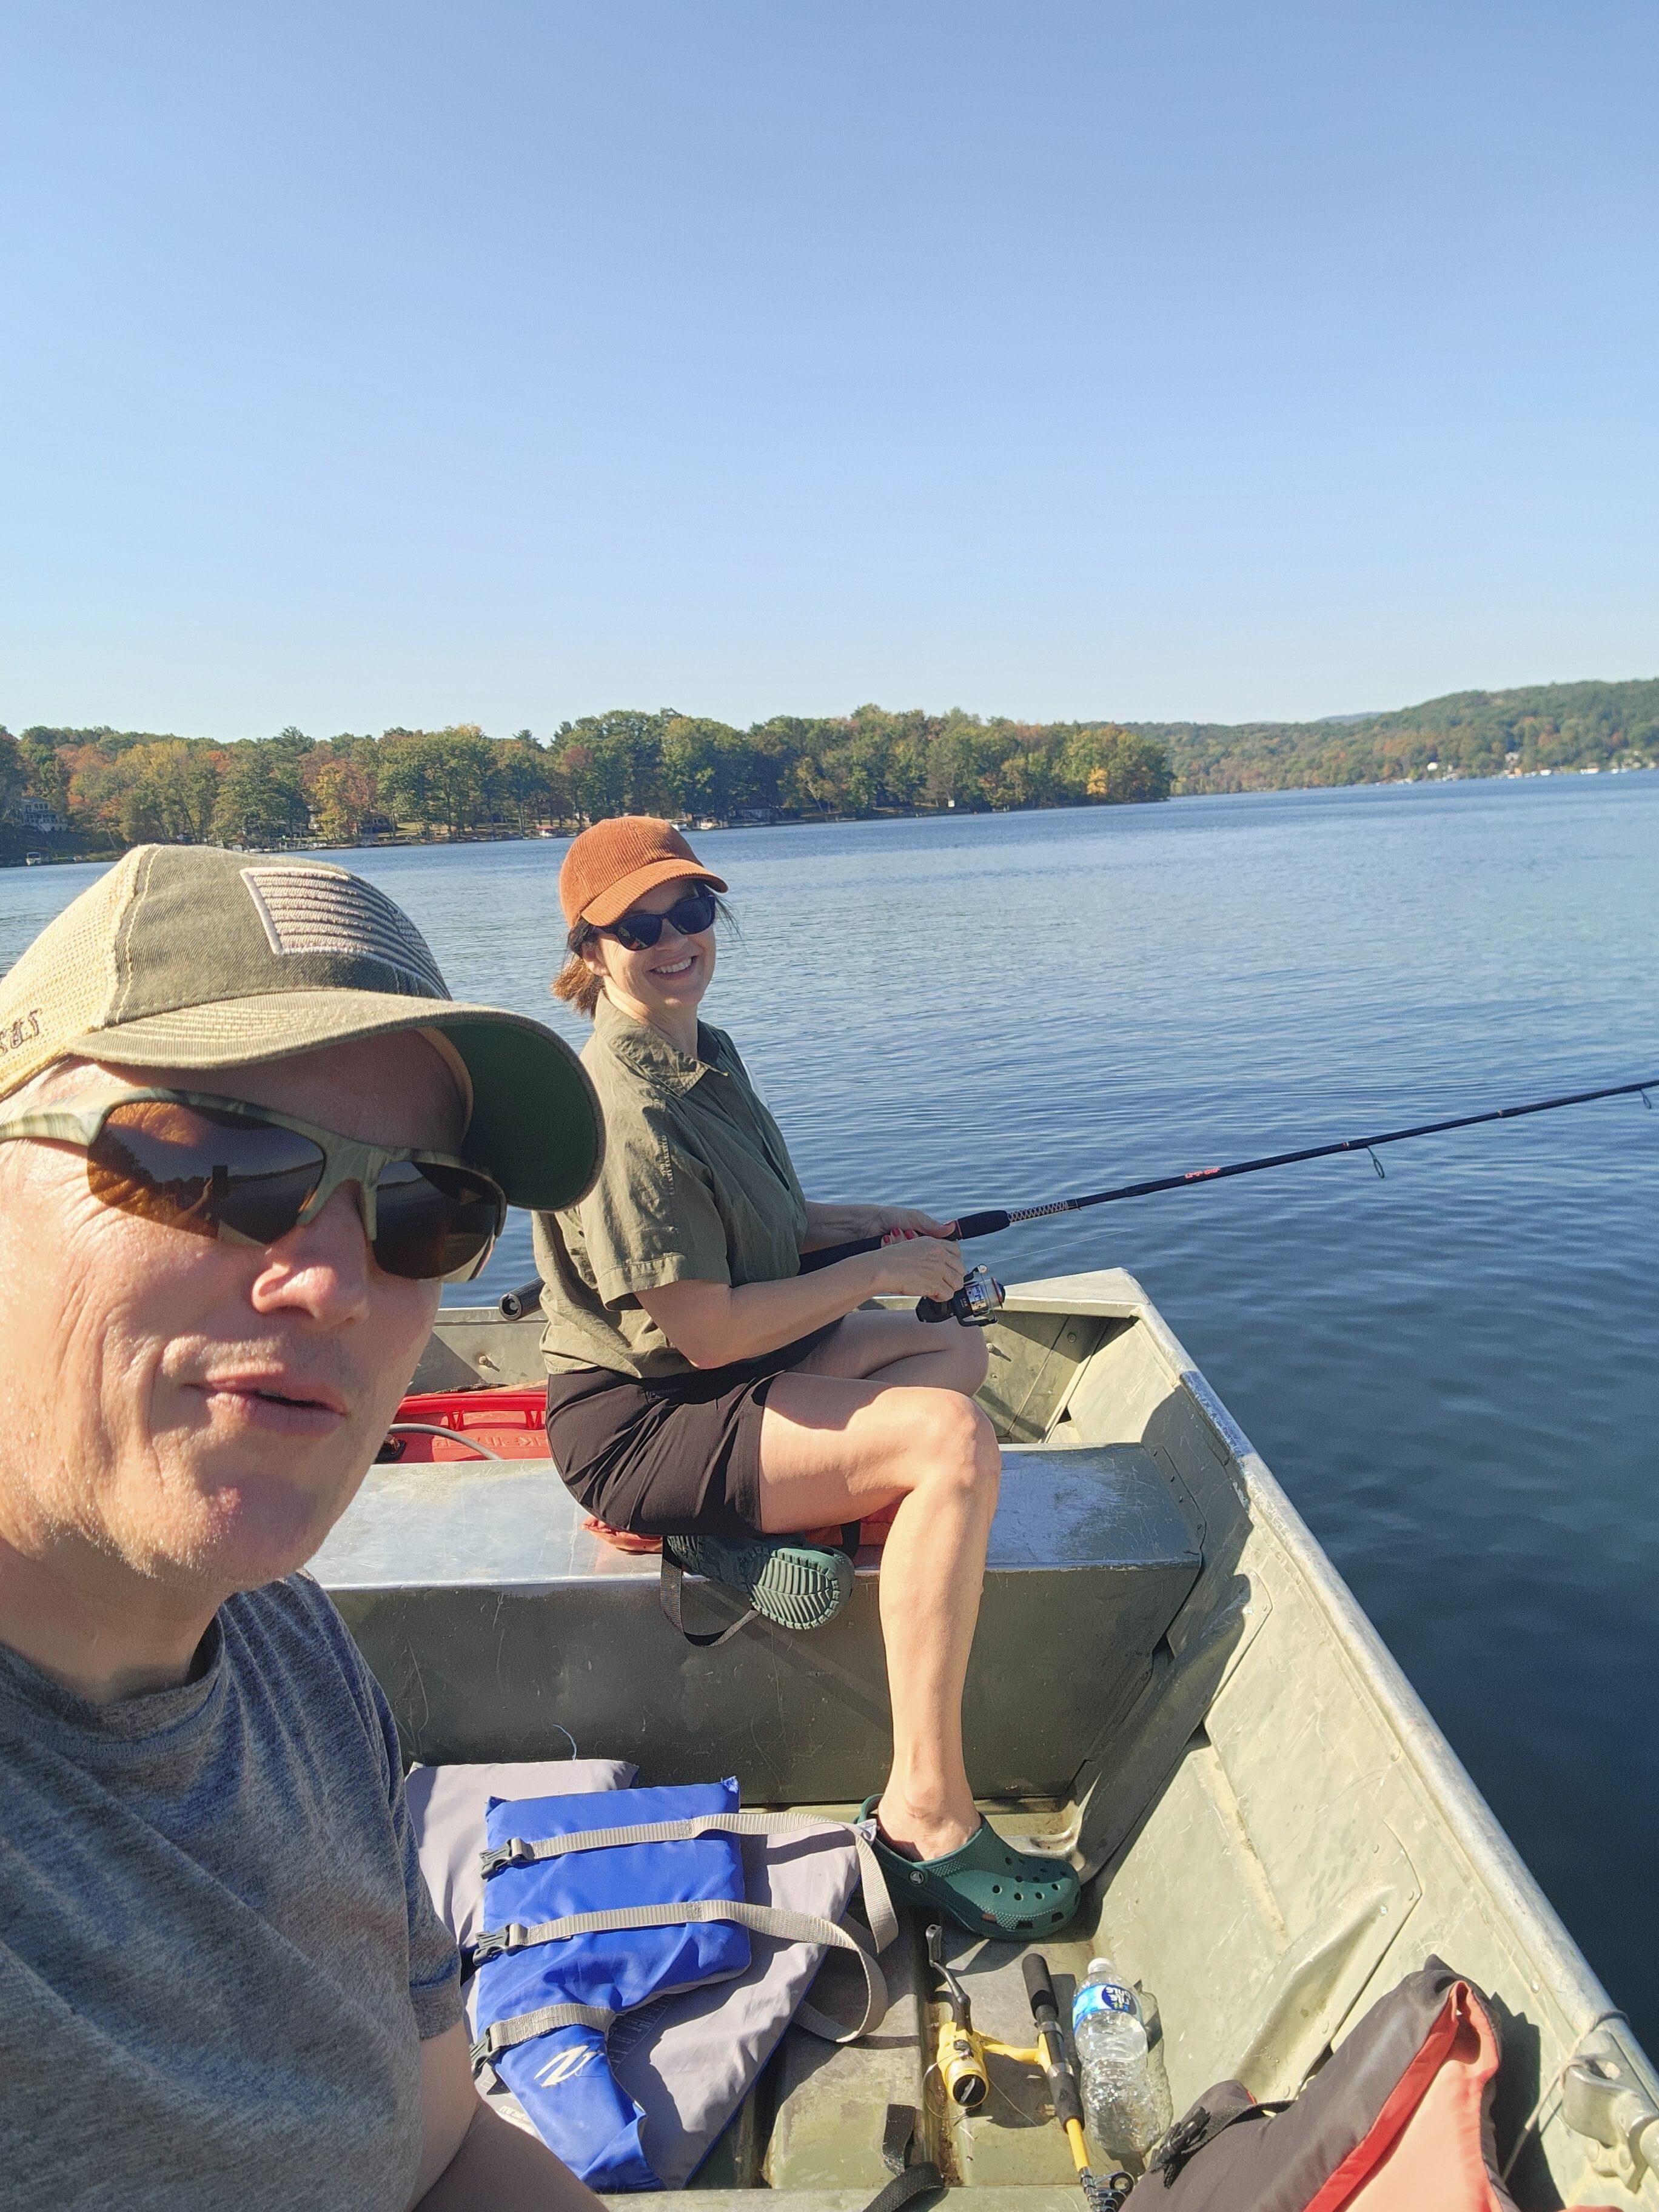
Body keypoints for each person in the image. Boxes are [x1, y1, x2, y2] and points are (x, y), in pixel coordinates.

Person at [0, 845, 611, 2211]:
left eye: (422, 1209)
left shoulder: (290, 1652)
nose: (334, 1279)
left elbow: (442, 2149)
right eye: (212, 1163)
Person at [535, 817, 1079, 1939]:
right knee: (950, 1442)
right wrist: (877, 1269)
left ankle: (724, 1534)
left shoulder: (701, 1052)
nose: (677, 938)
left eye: (692, 910)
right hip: (644, 1421)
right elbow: (709, 1330)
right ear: (590, 948)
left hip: (715, 1376)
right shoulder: (623, 1111)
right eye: (639, 925)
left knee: (955, 1354)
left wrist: (865, 1222)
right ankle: (924, 1812)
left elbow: (763, 1228)